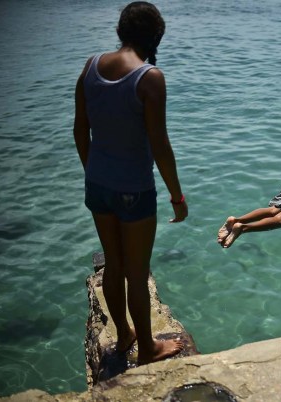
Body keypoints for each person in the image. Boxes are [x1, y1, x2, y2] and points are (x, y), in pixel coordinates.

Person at [73, 1, 187, 365]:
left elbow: (80, 128)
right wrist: (176, 194)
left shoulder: (90, 66)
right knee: (137, 272)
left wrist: (93, 170)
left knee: (115, 265)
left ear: (122, 32)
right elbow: (160, 144)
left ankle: (123, 334)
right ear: (155, 36)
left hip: (98, 185)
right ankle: (149, 349)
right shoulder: (149, 77)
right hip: (134, 191)